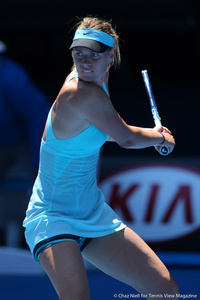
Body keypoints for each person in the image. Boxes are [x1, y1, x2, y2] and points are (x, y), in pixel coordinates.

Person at [23, 17, 178, 300]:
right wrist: (159, 137)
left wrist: (151, 134)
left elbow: (101, 131)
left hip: (92, 213)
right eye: (78, 52)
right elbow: (126, 138)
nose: (85, 60)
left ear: (111, 55)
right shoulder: (79, 92)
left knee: (165, 290)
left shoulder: (96, 86)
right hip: (53, 217)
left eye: (94, 53)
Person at [0, 40, 50, 246]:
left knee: (22, 193)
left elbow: (39, 117)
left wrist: (38, 163)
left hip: (20, 144)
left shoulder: (11, 76)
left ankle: (15, 244)